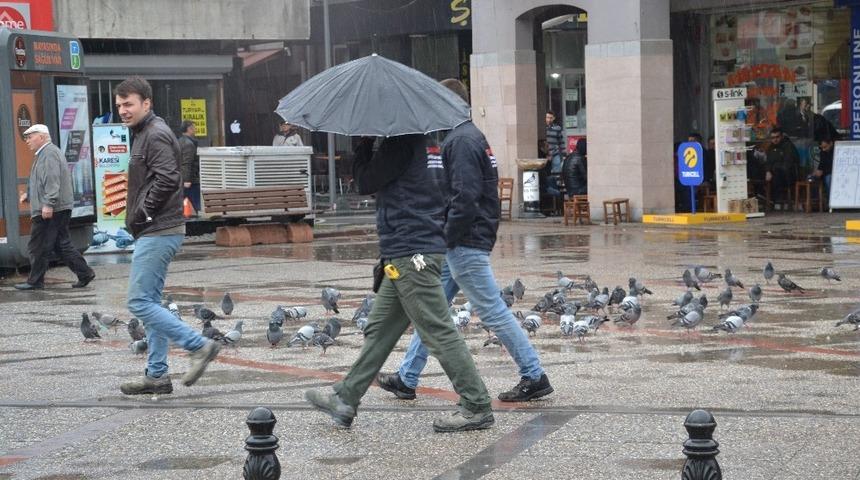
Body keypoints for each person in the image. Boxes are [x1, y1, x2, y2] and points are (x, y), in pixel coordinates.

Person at [304, 122, 493, 432]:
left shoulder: (401, 143)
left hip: (412, 252)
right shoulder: (424, 142)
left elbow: (365, 181)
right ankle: (346, 397)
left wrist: (364, 144)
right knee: (379, 329)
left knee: (437, 330)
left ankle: (476, 404)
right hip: (404, 251)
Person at [376, 79, 553, 404]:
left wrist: (444, 237)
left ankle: (534, 375)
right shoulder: (471, 136)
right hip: (465, 239)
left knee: (493, 311)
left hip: (464, 241)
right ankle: (407, 377)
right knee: (431, 309)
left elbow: (465, 197)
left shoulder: (459, 141)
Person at [115, 76, 219, 395]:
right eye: (119, 105)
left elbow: (168, 179)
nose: (123, 110)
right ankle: (157, 375)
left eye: (129, 104)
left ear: (146, 103)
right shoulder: (144, 133)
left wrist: (142, 213)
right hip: (156, 229)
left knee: (138, 301)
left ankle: (198, 345)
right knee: (150, 303)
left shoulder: (155, 134)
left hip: (158, 230)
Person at [15, 124, 95, 290]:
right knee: (61, 245)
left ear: (41, 137)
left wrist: (48, 204)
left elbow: (52, 180)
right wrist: (29, 195)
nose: (27, 140)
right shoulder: (45, 153)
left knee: (37, 246)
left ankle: (35, 281)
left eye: (30, 137)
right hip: (56, 208)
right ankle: (85, 273)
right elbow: (41, 180)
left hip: (52, 209)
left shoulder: (49, 153)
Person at [764, 127, 800, 207]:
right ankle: (764, 197)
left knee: (777, 172)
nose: (775, 139)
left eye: (777, 137)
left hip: (789, 174)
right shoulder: (771, 148)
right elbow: (768, 161)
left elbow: (788, 163)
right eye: (773, 138)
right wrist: (768, 171)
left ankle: (778, 200)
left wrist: (773, 168)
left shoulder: (788, 146)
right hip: (775, 173)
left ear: (782, 136)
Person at [178, 120, 200, 213]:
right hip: (191, 181)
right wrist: (186, 180)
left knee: (179, 204)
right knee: (198, 205)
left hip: (183, 179)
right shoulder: (189, 144)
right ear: (189, 129)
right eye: (194, 128)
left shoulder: (179, 141)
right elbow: (187, 163)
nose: (195, 130)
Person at [544, 111, 565, 196]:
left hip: (555, 154)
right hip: (546, 155)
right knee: (547, 174)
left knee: (557, 174)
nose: (548, 119)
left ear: (554, 118)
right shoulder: (543, 129)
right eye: (547, 117)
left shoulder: (557, 128)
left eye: (550, 118)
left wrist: (564, 154)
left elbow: (561, 142)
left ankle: (557, 193)